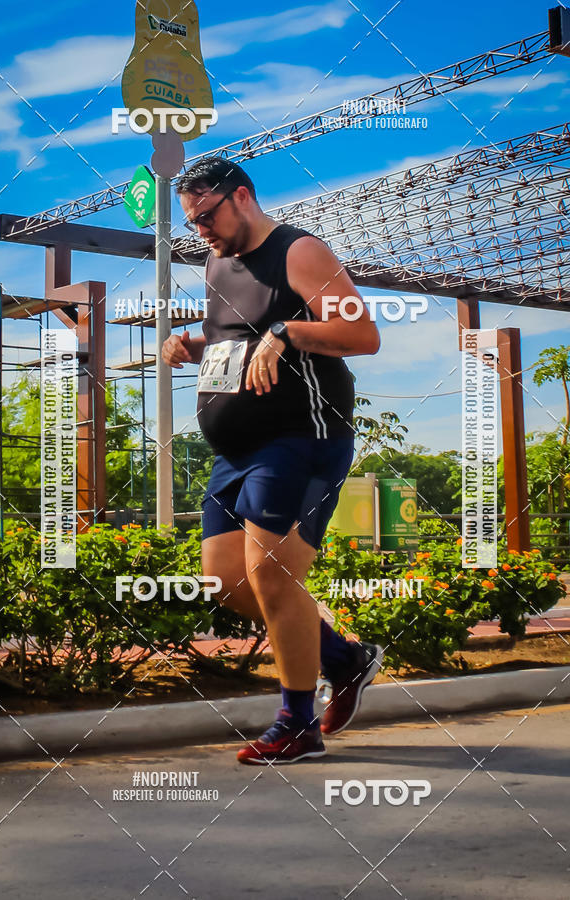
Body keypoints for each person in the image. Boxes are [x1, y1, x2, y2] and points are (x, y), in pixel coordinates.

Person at [162, 157, 382, 765]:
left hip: (302, 437)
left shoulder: (300, 251)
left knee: (273, 577)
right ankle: (344, 659)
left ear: (242, 197)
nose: (200, 229)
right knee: (227, 581)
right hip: (236, 451)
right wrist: (192, 339)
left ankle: (296, 722)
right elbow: (241, 331)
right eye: (192, 221)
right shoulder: (215, 261)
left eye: (207, 215)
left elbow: (363, 334)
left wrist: (289, 332)